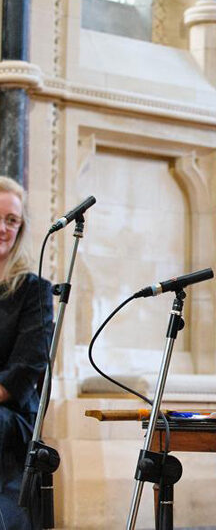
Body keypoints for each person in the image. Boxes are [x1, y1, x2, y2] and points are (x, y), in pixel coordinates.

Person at [0, 176, 53, 529]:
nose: (3, 227)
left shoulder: (34, 291)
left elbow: (20, 376)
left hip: (12, 416)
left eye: (11, 220)